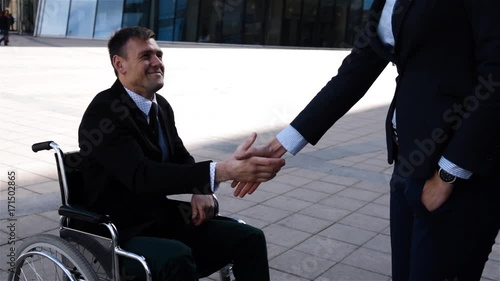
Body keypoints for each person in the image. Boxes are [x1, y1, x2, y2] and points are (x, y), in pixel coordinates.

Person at [234, 0, 500, 280]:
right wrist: (277, 147)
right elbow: (356, 71)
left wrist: (449, 174)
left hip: (462, 176)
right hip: (409, 164)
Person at [78, 26, 284, 281]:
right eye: (146, 56)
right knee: (177, 257)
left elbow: (180, 156)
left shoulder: (160, 106)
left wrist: (201, 189)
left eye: (159, 55)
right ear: (119, 64)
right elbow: (142, 176)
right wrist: (222, 171)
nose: (157, 63)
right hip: (119, 230)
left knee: (249, 238)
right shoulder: (103, 113)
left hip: (158, 218)